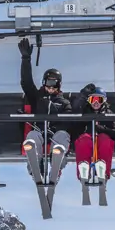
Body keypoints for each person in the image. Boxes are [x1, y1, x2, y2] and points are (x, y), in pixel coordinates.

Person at [19, 38, 72, 181]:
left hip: (55, 134)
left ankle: (57, 166)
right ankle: (36, 168)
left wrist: (55, 127)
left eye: (54, 83)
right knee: (32, 137)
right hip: (40, 132)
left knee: (62, 135)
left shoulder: (64, 102)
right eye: (48, 82)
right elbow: (26, 82)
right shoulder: (37, 97)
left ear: (59, 85)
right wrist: (25, 58)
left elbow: (67, 121)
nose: (50, 87)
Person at [71, 85, 115, 182]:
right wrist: (83, 94)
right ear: (88, 100)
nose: (96, 102)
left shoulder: (108, 113)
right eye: (93, 99)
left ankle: (103, 169)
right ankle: (83, 169)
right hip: (87, 138)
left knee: (105, 139)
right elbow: (75, 108)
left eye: (99, 100)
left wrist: (100, 128)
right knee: (84, 139)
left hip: (102, 139)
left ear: (104, 101)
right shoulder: (84, 112)